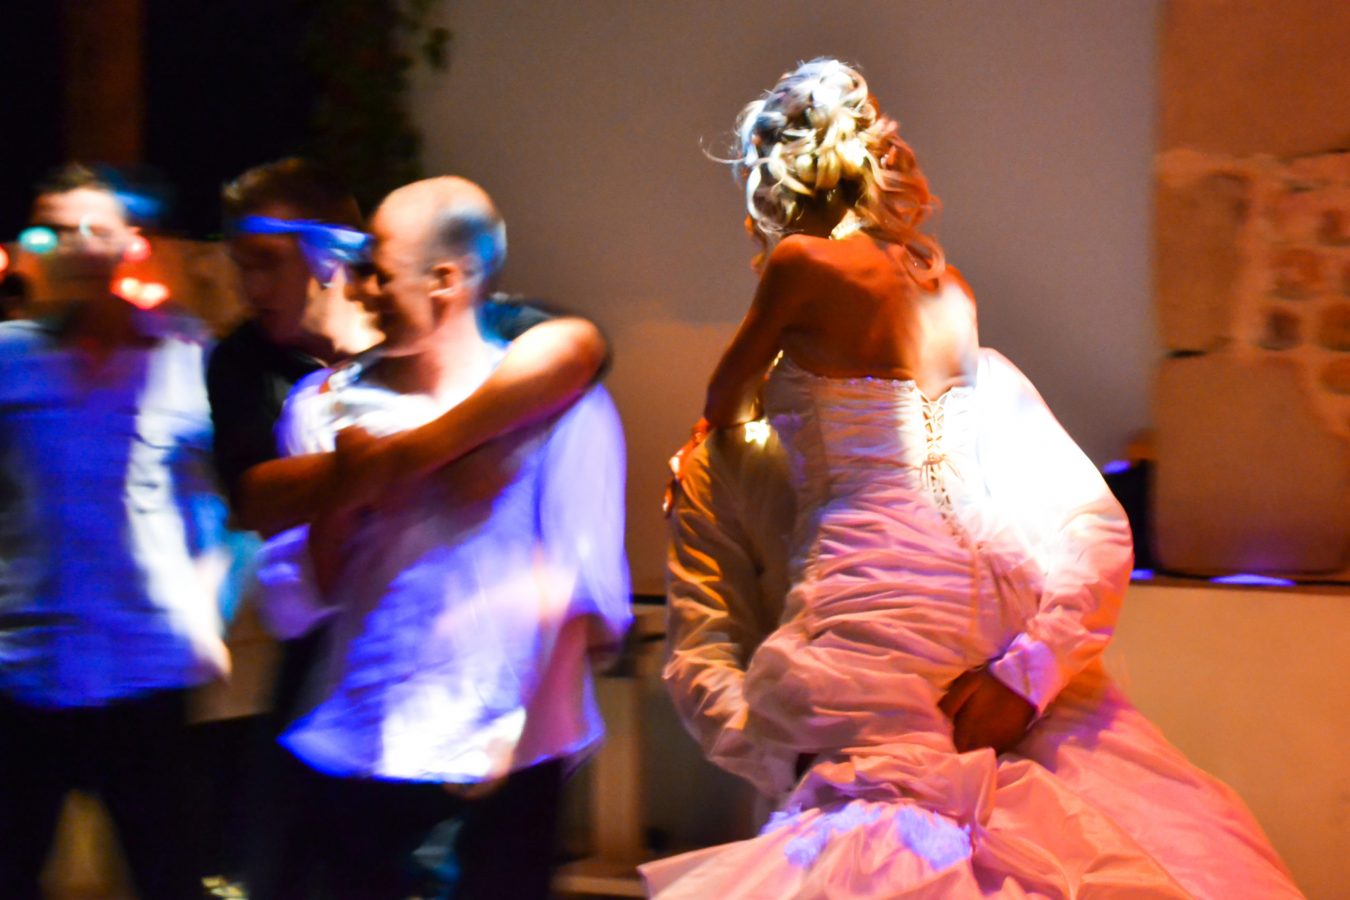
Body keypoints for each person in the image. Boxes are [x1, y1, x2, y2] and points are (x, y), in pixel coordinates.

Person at [644, 59, 1302, 898]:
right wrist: (793, 747)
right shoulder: (931, 307)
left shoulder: (957, 377)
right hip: (885, 717)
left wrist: (1022, 679)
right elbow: (703, 652)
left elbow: (1093, 535)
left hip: (997, 700)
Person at [208, 158, 614, 896]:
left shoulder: (562, 410)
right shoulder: (320, 407)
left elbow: (583, 594)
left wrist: (512, 735)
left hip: (498, 766)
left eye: (377, 273)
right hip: (361, 748)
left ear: (447, 281)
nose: (355, 290)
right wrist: (349, 489)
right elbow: (299, 601)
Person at [0, 164, 229, 899]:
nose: (73, 247)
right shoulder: (8, 360)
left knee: (167, 876)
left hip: (145, 671)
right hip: (23, 671)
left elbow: (210, 508)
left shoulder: (184, 356)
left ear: (131, 244)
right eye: (55, 230)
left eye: (94, 230)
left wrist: (208, 611)